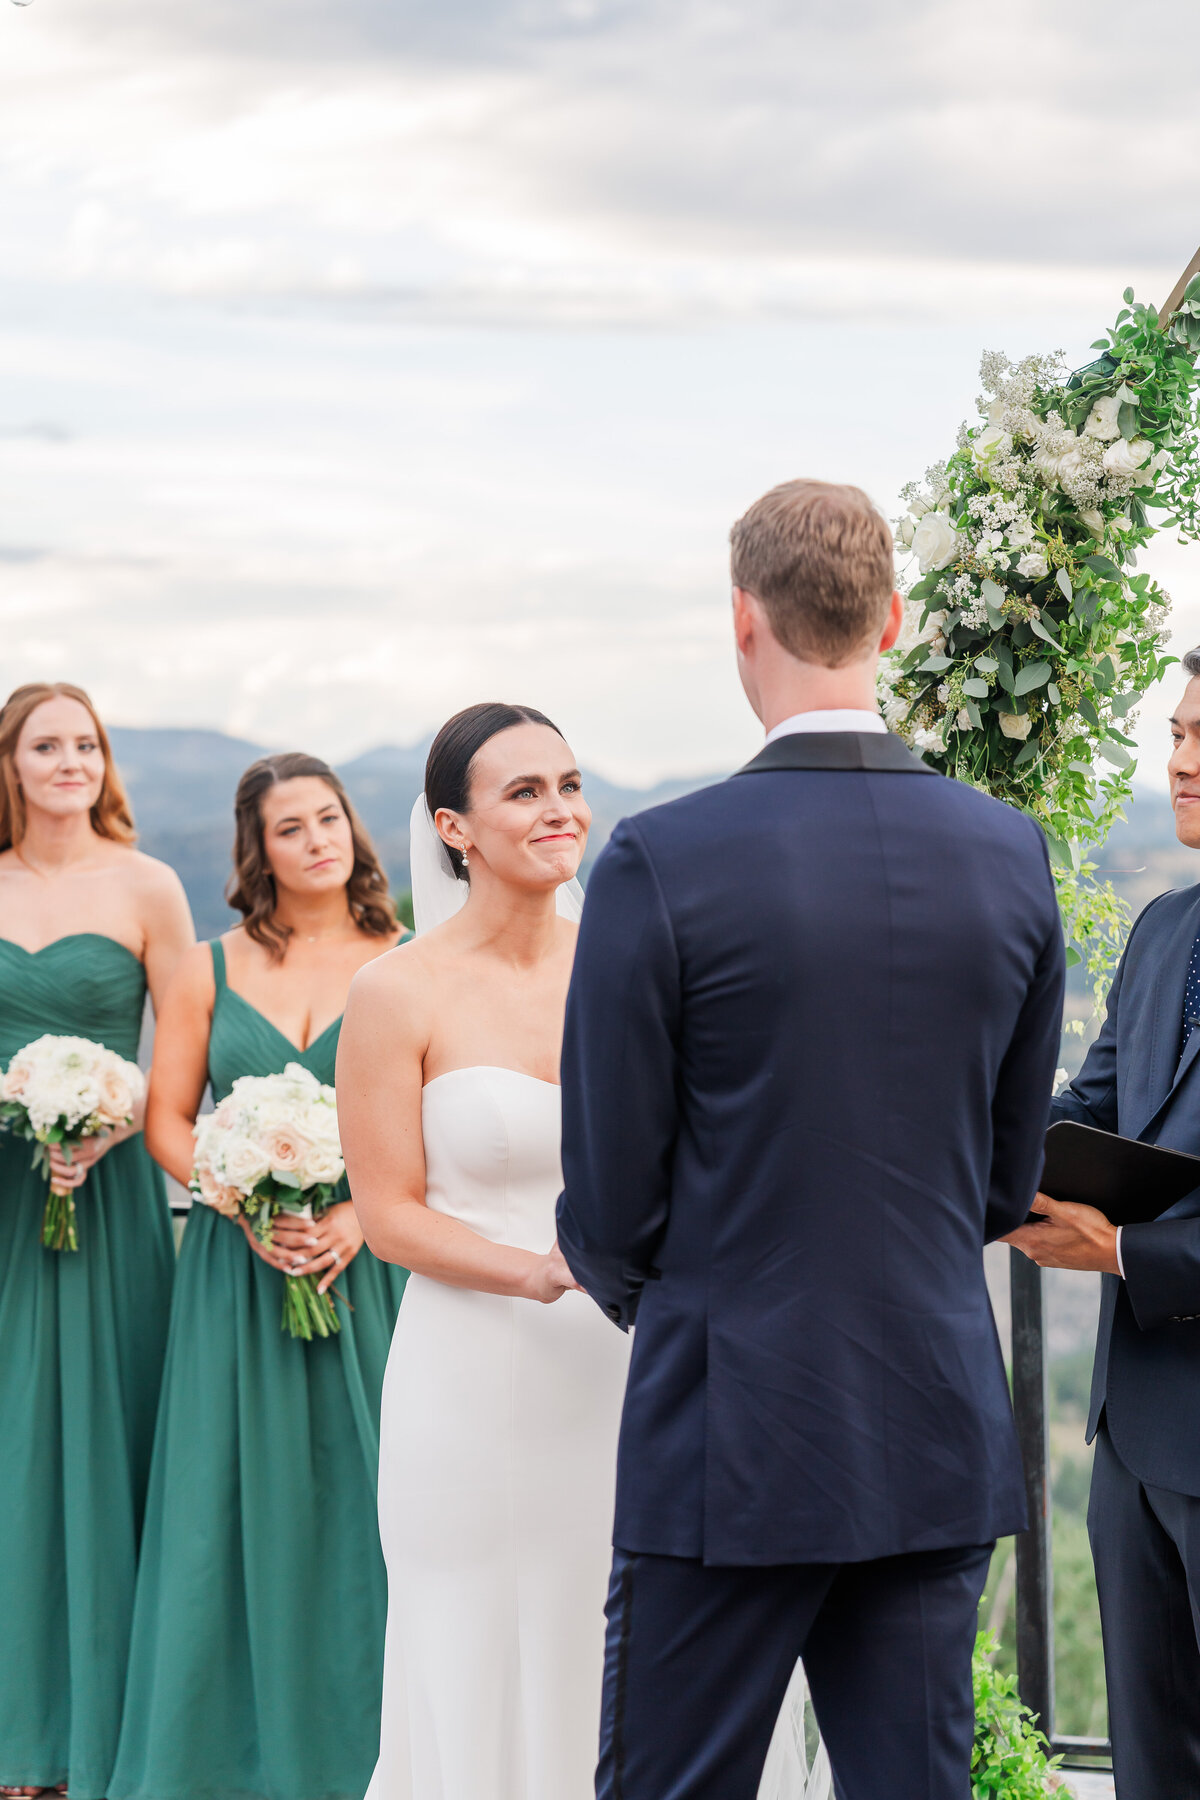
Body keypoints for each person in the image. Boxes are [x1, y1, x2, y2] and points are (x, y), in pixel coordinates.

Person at [556, 478, 1067, 1800]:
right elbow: (1009, 1179)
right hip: (937, 1419)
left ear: (743, 621)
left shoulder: (660, 859)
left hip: (731, 1430)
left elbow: (608, 1201)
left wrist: (708, 1307)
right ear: (891, 619)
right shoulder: (1010, 855)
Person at [335, 704, 634, 1800]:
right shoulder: (397, 990)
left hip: (622, 1372)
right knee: (471, 1651)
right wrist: (539, 1273)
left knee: (611, 1641)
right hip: (470, 1378)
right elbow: (386, 1215)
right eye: (524, 792)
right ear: (453, 828)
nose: (560, 811)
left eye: (567, 783)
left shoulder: (623, 962)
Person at [109, 753, 408, 1800]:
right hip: (239, 1284)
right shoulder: (204, 968)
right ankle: (216, 1759)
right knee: (220, 1515)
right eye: (293, 827)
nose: (320, 839)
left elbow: (427, 1136)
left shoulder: (405, 959)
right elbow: (167, 1121)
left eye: (331, 818)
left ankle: (380, 1751)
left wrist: (361, 1220)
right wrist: (240, 1197)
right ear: (260, 850)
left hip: (367, 1275)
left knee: (373, 1507)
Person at [1006, 648, 1200, 1800]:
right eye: (1176, 735)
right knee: (1150, 1765)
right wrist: (947, 1151)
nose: (1181, 762)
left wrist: (1121, 1250)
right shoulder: (1164, 930)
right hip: (1135, 1437)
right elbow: (1086, 1111)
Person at [0, 681, 194, 1800]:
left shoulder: (147, 885)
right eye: (46, 745)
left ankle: (108, 1735)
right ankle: (19, 1731)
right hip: (5, 1192)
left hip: (109, 1194)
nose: (70, 760)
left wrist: (112, 1122)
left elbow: (180, 1043)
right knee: (16, 1452)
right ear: (13, 766)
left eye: (86, 743)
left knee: (112, 1441)